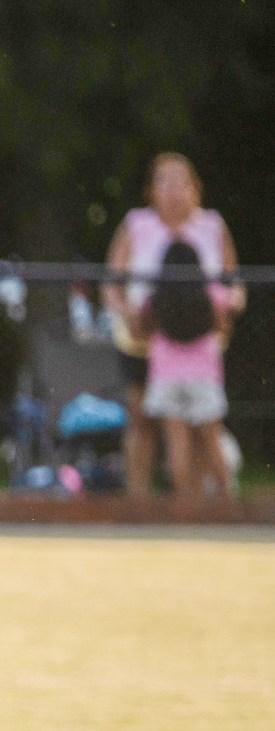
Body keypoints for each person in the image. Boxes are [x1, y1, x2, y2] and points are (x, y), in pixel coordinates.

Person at [103, 153, 245, 498]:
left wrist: (226, 312)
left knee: (200, 429)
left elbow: (234, 283)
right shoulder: (136, 224)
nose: (173, 189)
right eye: (163, 180)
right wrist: (126, 313)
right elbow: (111, 283)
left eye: (181, 180)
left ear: (196, 188)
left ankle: (191, 506)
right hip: (144, 340)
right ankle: (138, 501)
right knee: (143, 421)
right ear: (151, 189)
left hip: (198, 344)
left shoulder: (212, 226)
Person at [143, 240, 235, 498]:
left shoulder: (156, 295)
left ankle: (182, 508)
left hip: (166, 374)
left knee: (176, 444)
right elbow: (222, 325)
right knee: (211, 440)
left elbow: (143, 327)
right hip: (204, 373)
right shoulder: (210, 291)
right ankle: (227, 501)